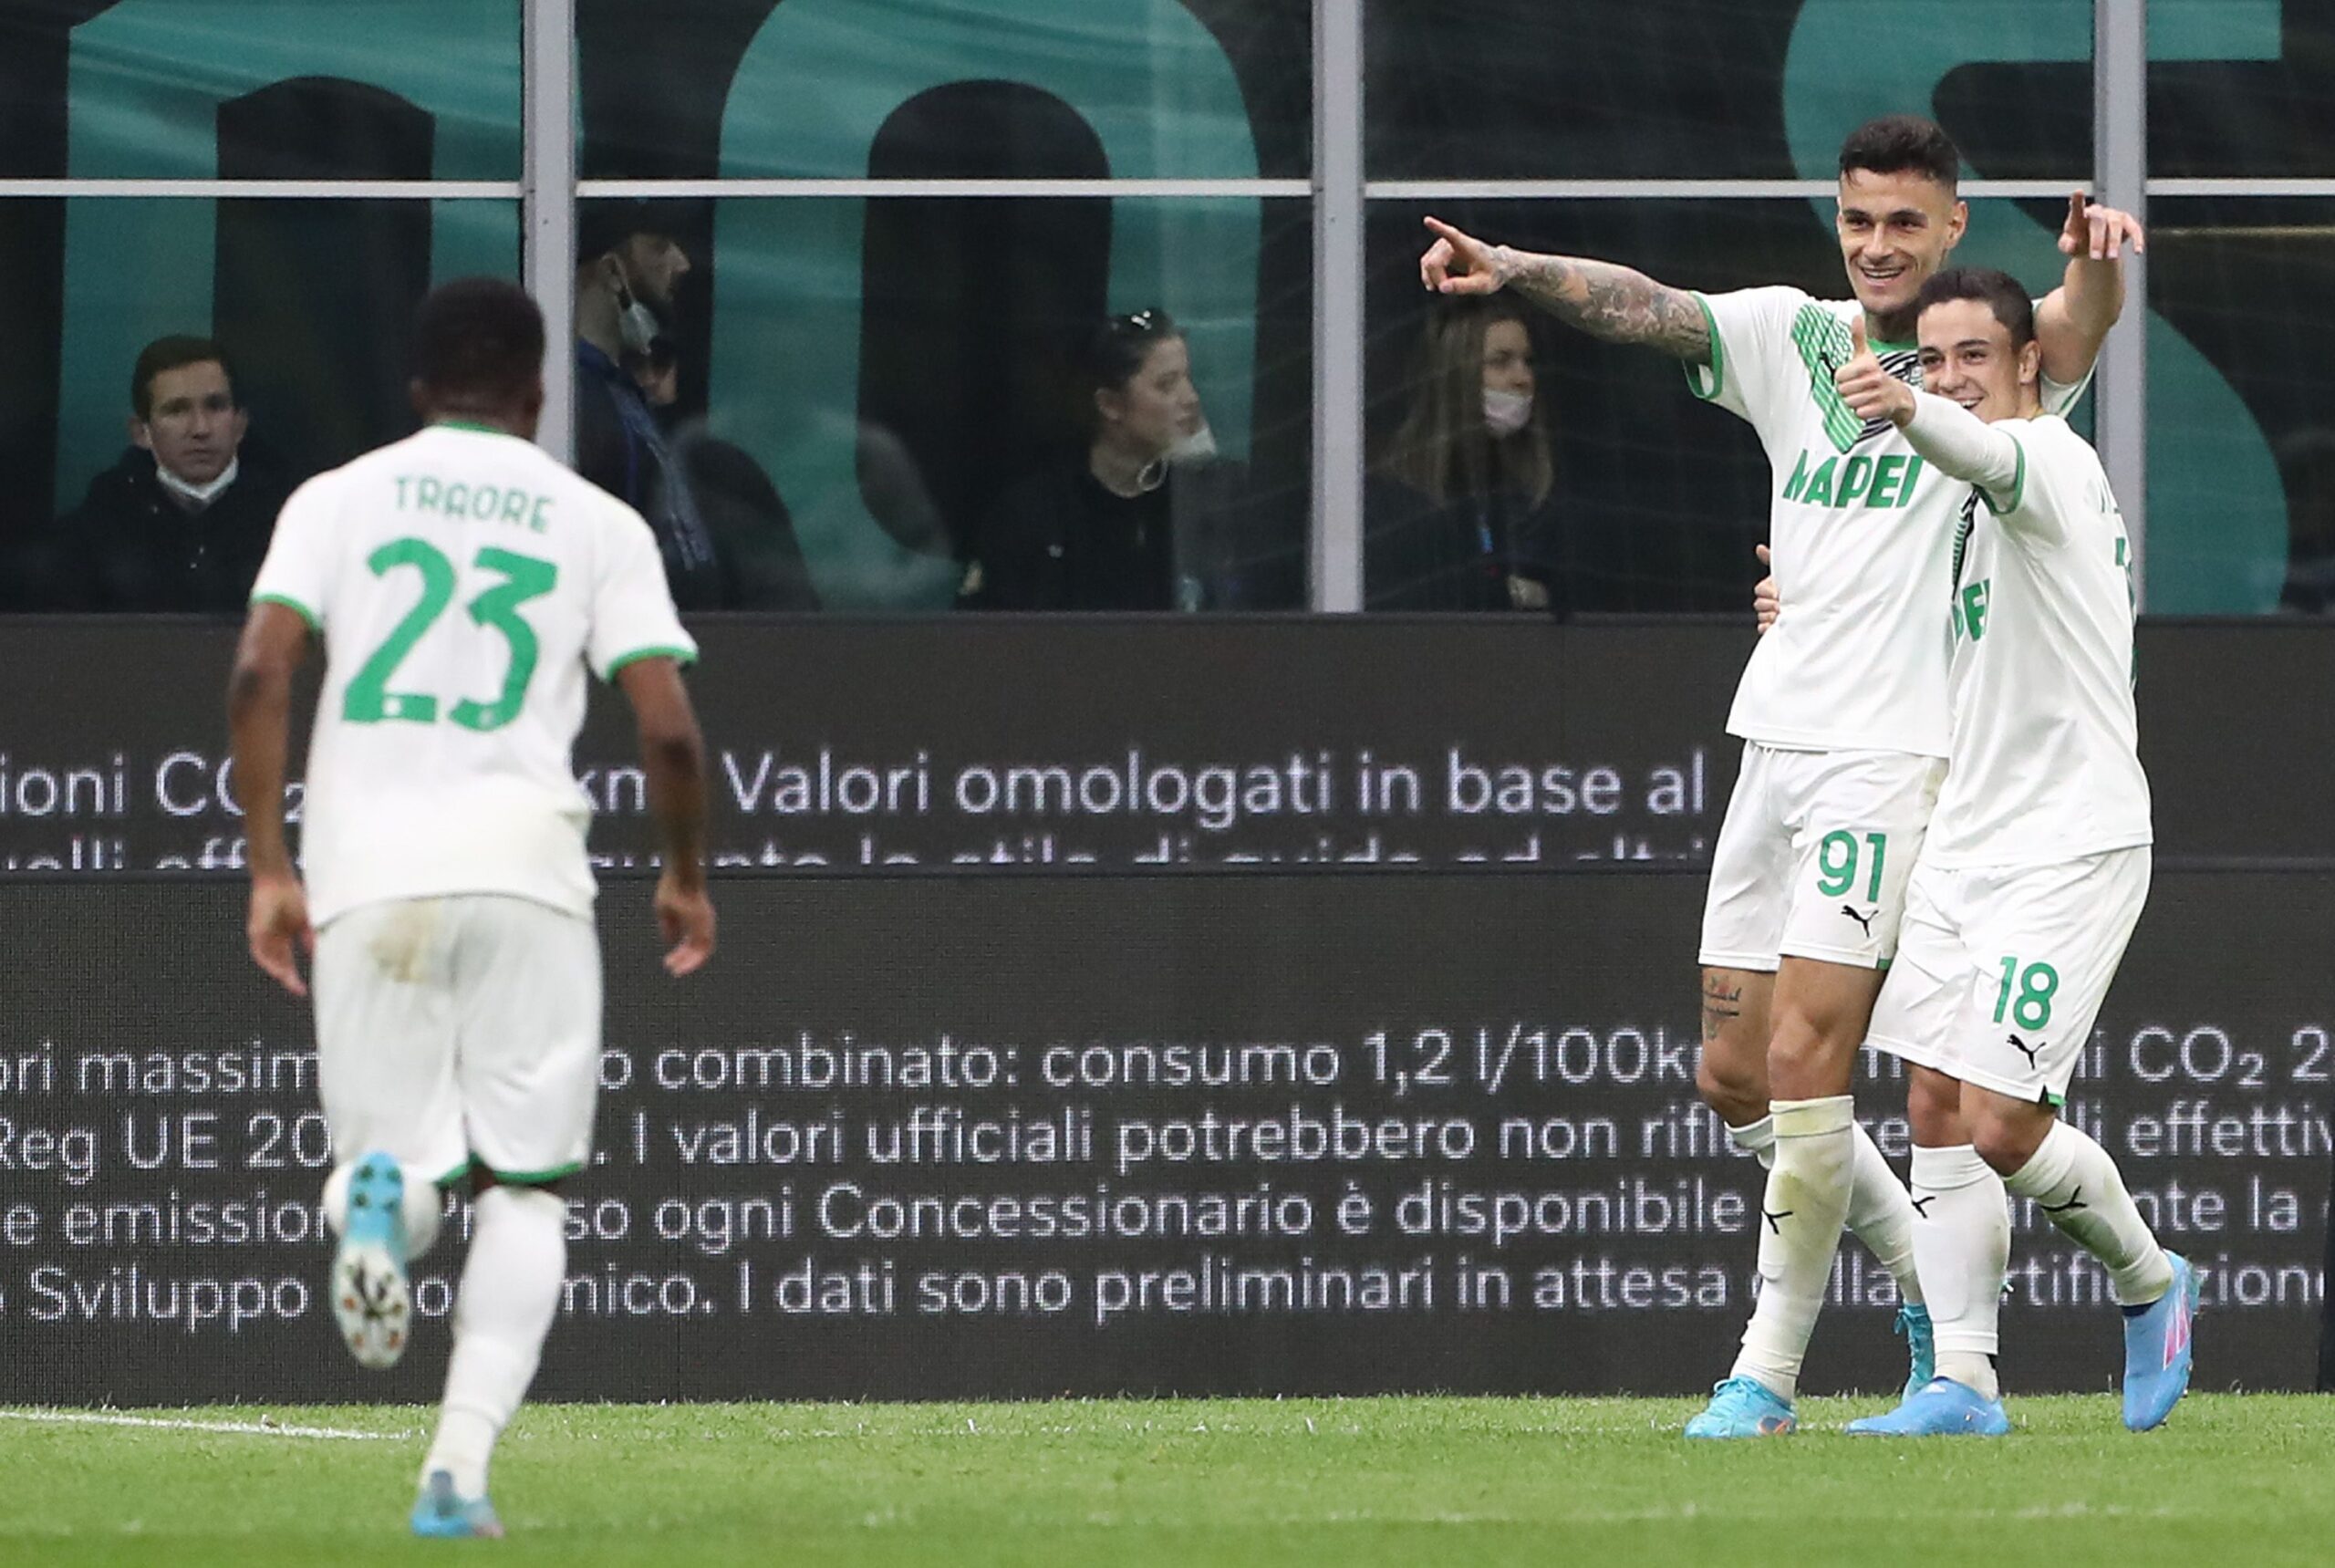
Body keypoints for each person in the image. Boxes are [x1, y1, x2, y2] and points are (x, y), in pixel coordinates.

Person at [1419, 114, 2143, 1437]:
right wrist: (1514, 266)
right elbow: (1651, 309)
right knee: (1734, 1073)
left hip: (1896, 756)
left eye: (1906, 222)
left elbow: (2078, 320)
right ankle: (1917, 1273)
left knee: (1812, 1056)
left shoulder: (1977, 363)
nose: (1879, 245)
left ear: (1952, 226)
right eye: (1860, 219)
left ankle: (1764, 1374)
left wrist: (2095, 260)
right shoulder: (1792, 335)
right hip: (1777, 738)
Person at [226, 277, 716, 1538]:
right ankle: (455, 1472)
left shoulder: (335, 499)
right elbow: (667, 730)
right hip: (525, 869)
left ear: (416, 386)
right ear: (540, 393)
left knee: (387, 1164)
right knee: (526, 1191)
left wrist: (272, 867)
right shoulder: (595, 521)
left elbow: (262, 668)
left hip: (367, 870)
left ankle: (378, 1198)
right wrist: (682, 874)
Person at [1809, 268, 2191, 1435]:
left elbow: (1982, 448)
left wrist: (1901, 404)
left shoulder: (2046, 460)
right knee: (1930, 1099)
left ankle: (2149, 1281)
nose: (1950, 378)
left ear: (2030, 363)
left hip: (2069, 844)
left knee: (2002, 1123)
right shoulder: (1963, 504)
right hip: (1966, 842)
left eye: (1974, 354)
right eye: (1931, 360)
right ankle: (1963, 1382)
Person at [961, 308, 1226, 611]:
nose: (1191, 398)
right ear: (1110, 404)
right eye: (1166, 385)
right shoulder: (1033, 516)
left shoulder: (1207, 504)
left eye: (1188, 379)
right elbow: (980, 631)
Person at [46, 336, 294, 612]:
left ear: (240, 424)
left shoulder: (294, 519)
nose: (200, 429)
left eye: (215, 406)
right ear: (141, 432)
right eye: (176, 410)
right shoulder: (95, 530)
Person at [1368, 296, 1565, 611]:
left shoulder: (1530, 493)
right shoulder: (1396, 495)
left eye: (1527, 361)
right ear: (1457, 374)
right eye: (1500, 362)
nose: (1523, 378)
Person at [576, 202, 725, 609]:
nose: (681, 263)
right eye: (660, 246)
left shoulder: (619, 390)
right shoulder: (579, 404)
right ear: (612, 273)